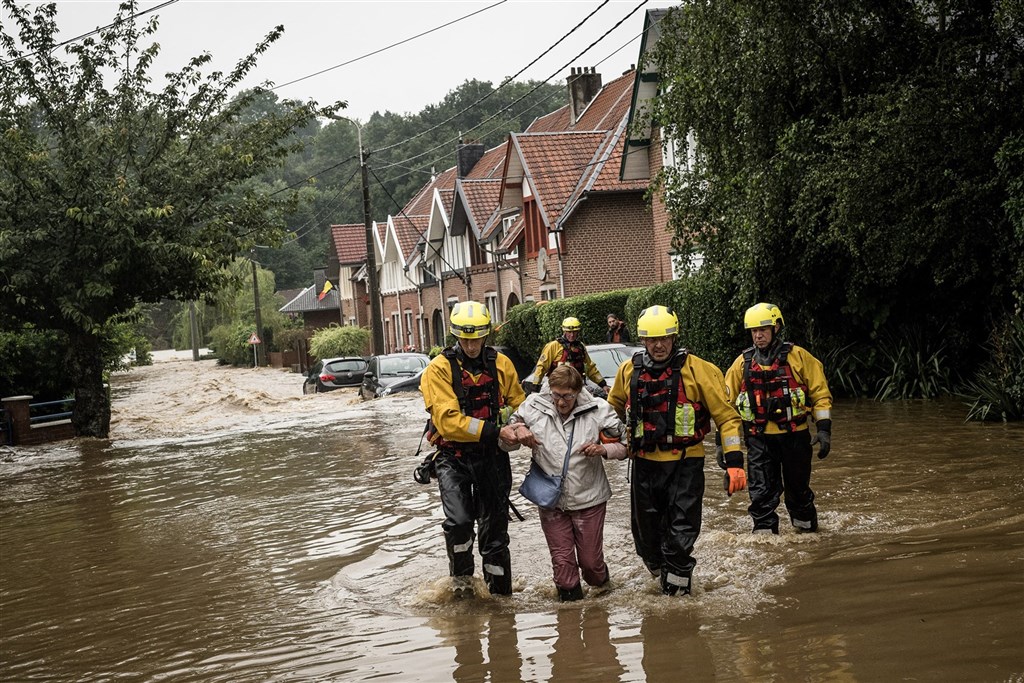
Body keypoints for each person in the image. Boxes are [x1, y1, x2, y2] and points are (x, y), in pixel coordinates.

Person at [606, 305, 746, 596]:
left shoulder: (699, 370)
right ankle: (661, 573)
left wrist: (734, 461)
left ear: (674, 337)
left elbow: (727, 417)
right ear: (643, 340)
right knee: (646, 542)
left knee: (680, 538)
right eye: (651, 339)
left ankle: (678, 600)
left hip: (686, 463)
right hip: (644, 463)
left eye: (665, 338)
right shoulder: (629, 370)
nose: (658, 345)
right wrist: (602, 441)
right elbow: (610, 411)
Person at [419, 301, 526, 597]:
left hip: (492, 458)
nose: (471, 344)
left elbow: (519, 404)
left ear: (486, 335)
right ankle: (463, 590)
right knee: (460, 523)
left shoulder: (501, 364)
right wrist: (496, 430)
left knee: (495, 534)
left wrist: (519, 427)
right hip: (453, 459)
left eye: (476, 337)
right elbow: (449, 422)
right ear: (456, 336)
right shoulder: (438, 370)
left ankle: (501, 599)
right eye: (465, 338)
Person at [499, 365, 627, 601]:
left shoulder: (599, 409)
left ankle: (602, 588)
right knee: (563, 567)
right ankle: (568, 624)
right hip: (550, 500)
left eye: (567, 396)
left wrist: (603, 449)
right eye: (556, 395)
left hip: (590, 499)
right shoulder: (533, 406)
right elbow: (505, 442)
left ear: (578, 391)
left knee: (591, 565)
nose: (560, 402)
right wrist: (518, 431)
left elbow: (627, 446)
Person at [724, 303, 833, 534]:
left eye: (763, 329)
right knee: (761, 495)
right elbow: (724, 407)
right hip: (759, 440)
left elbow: (820, 394)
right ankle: (765, 543)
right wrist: (722, 446)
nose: (758, 335)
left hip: (795, 437)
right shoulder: (741, 364)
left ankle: (807, 535)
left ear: (776, 328)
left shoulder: (799, 357)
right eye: (754, 330)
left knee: (799, 491)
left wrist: (824, 429)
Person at [522, 316, 608, 397]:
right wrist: (535, 388)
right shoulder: (553, 346)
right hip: (555, 387)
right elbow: (541, 367)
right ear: (564, 331)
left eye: (575, 332)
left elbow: (590, 368)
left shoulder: (580, 347)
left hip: (576, 387)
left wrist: (603, 384)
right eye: (569, 332)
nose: (572, 335)